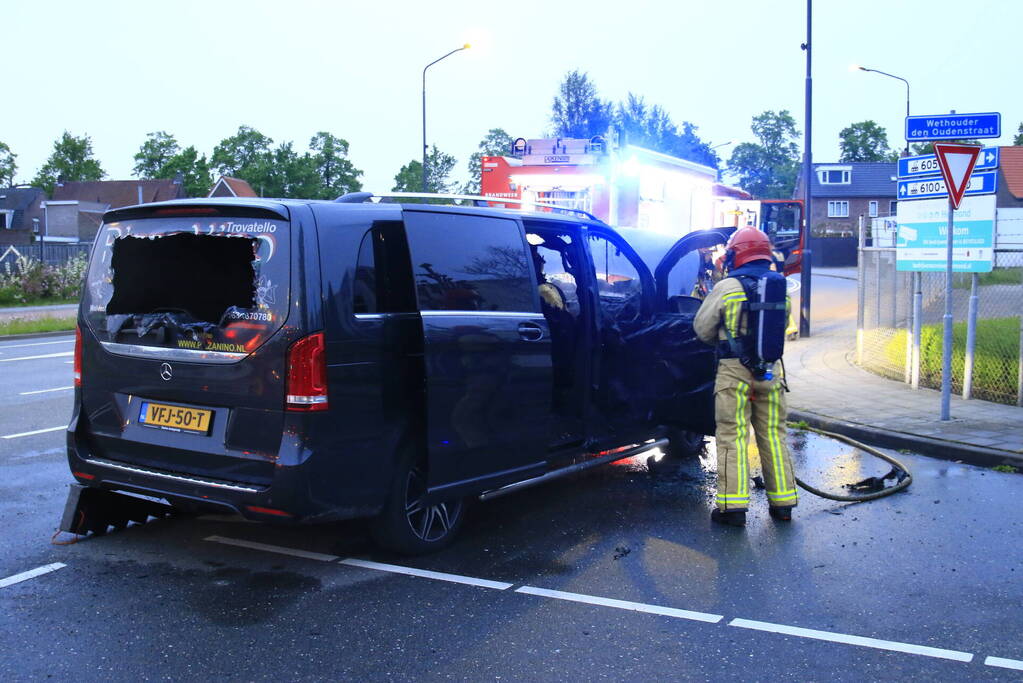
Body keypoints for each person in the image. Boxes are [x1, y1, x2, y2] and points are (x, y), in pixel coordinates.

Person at [694, 227, 797, 527]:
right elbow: (783, 327)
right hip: (771, 373)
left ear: (736, 255)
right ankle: (784, 504)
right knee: (774, 438)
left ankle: (732, 508)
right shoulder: (781, 286)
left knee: (733, 436)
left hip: (733, 373)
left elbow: (702, 329)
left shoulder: (727, 287)